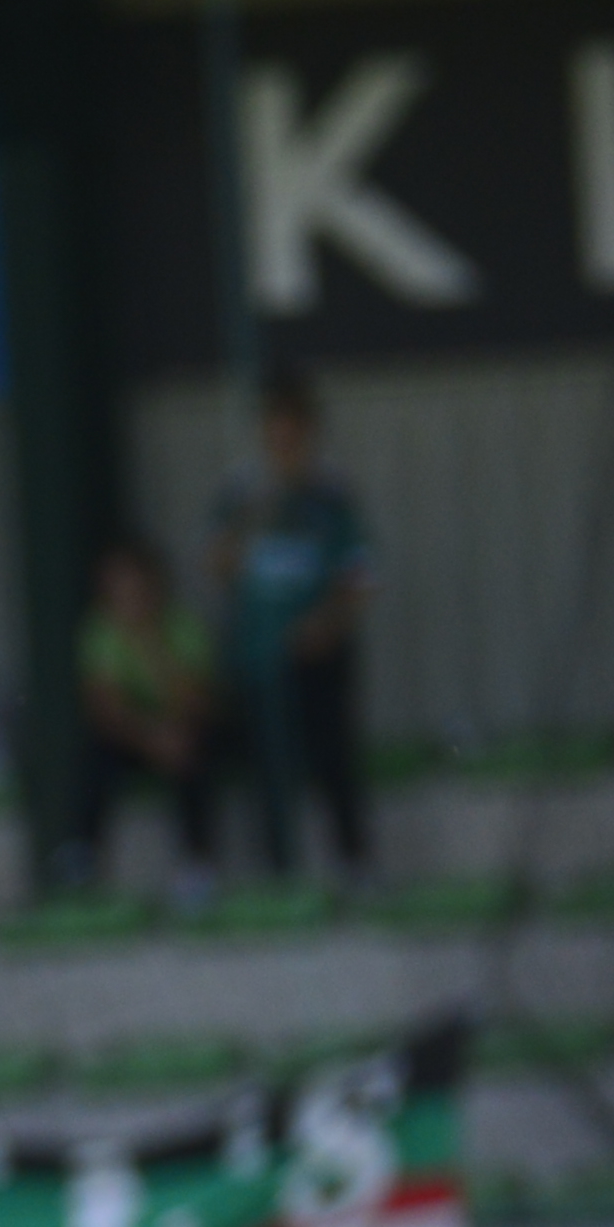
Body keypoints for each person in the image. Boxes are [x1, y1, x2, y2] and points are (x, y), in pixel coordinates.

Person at [208, 366, 373, 887]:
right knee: (265, 764)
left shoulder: (332, 492)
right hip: (259, 653)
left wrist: (328, 622)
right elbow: (217, 565)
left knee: (333, 757)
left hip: (318, 649)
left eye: (294, 430)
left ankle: (353, 862)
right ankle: (277, 872)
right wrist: (259, 513)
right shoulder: (241, 491)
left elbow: (362, 574)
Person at [71, 532, 222, 902]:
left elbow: (196, 704)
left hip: (181, 730)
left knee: (192, 754)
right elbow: (105, 708)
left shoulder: (182, 627)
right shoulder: (100, 631)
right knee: (94, 755)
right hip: (138, 737)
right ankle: (83, 860)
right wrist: (151, 737)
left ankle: (197, 864)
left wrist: (150, 642)